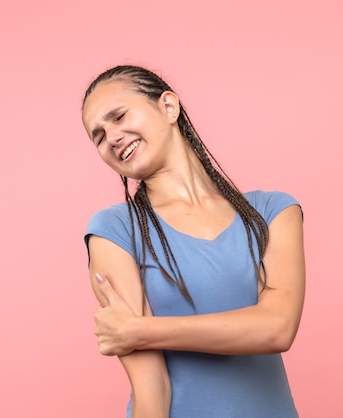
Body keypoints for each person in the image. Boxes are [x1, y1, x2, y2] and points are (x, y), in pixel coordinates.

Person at [82, 65, 305, 418]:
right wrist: (139, 336)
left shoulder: (272, 212)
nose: (112, 137)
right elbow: (152, 387)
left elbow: (277, 328)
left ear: (169, 107)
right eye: (98, 135)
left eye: (119, 116)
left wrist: (140, 330)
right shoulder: (114, 231)